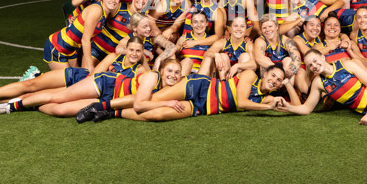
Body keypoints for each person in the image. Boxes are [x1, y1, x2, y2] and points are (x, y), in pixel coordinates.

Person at [0, 38, 149, 117]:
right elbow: (95, 75)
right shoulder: (114, 57)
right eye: (131, 50)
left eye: (138, 51)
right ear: (126, 50)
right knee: (54, 95)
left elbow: (146, 86)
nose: (134, 54)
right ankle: (6, 105)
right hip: (91, 84)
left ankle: (32, 104)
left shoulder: (141, 70)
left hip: (105, 96)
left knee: (60, 109)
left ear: (142, 53)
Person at [104, 65, 297, 122]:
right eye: (273, 75)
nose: (274, 80)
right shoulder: (250, 75)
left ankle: (112, 113)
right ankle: (102, 104)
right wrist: (267, 107)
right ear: (265, 74)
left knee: (158, 114)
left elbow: (299, 109)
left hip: (202, 107)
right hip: (199, 87)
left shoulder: (268, 97)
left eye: (279, 80)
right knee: (150, 100)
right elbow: (242, 102)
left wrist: (288, 84)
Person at [43, 0, 121, 71]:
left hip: (71, 49)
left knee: (76, 79)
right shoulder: (96, 10)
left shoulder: (105, 12)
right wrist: (90, 66)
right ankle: (35, 75)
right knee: (66, 82)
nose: (113, 0)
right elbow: (85, 39)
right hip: (58, 45)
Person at [90, 0, 151, 64]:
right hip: (96, 47)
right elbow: (97, 10)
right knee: (87, 72)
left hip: (115, 55)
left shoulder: (145, 17)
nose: (141, 0)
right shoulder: (119, 7)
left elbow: (155, 32)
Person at [278, 0, 343, 37]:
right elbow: (280, 30)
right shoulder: (295, 13)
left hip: (339, 16)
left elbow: (340, 2)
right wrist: (298, 20)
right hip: (327, 29)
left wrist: (326, 12)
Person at [253, 14, 302, 78]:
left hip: (284, 76)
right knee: (265, 61)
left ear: (276, 27)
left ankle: (285, 86)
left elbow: (297, 59)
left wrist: (290, 71)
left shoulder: (286, 40)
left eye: (270, 26)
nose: (267, 30)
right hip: (268, 75)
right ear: (261, 30)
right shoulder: (260, 41)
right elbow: (259, 59)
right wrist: (279, 70)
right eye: (264, 28)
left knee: (288, 60)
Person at [176, 11, 213, 76]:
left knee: (209, 59)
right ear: (191, 24)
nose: (199, 25)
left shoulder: (211, 40)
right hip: (185, 73)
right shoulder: (183, 39)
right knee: (187, 61)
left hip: (202, 73)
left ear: (207, 23)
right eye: (195, 22)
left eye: (202, 21)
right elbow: (173, 54)